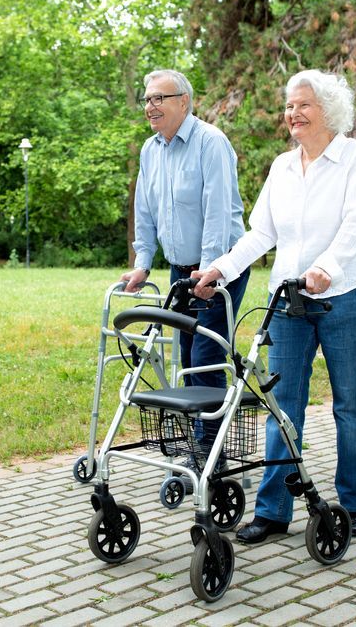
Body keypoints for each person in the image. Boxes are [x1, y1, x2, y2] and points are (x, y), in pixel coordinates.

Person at [192, 69, 356, 542]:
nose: (292, 113)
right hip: (288, 301)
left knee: (350, 404)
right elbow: (261, 233)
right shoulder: (281, 166)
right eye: (289, 106)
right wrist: (221, 269)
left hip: (345, 298)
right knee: (281, 406)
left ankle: (355, 504)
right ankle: (274, 510)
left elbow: (355, 226)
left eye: (303, 105)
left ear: (328, 110)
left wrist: (326, 267)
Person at [121, 69, 250, 466]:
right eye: (146, 100)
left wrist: (210, 270)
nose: (150, 107)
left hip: (220, 266)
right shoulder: (150, 150)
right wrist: (143, 263)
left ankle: (212, 453)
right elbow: (145, 210)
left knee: (208, 355)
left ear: (183, 102)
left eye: (158, 98)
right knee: (188, 356)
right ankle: (201, 444)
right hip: (181, 269)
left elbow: (217, 212)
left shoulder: (211, 143)